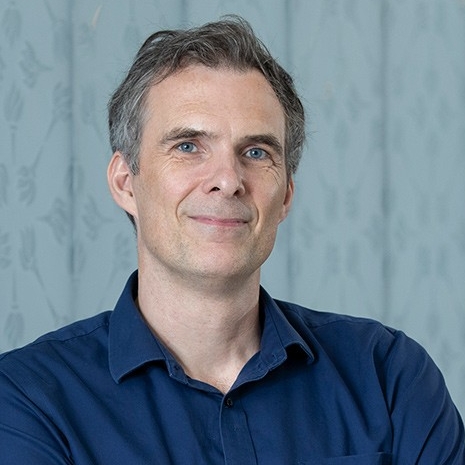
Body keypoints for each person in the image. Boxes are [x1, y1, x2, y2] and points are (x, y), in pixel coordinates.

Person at [0, 16, 463, 465]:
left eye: (256, 152)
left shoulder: (388, 377)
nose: (228, 180)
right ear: (125, 182)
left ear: (285, 196)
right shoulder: (28, 399)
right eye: (187, 146)